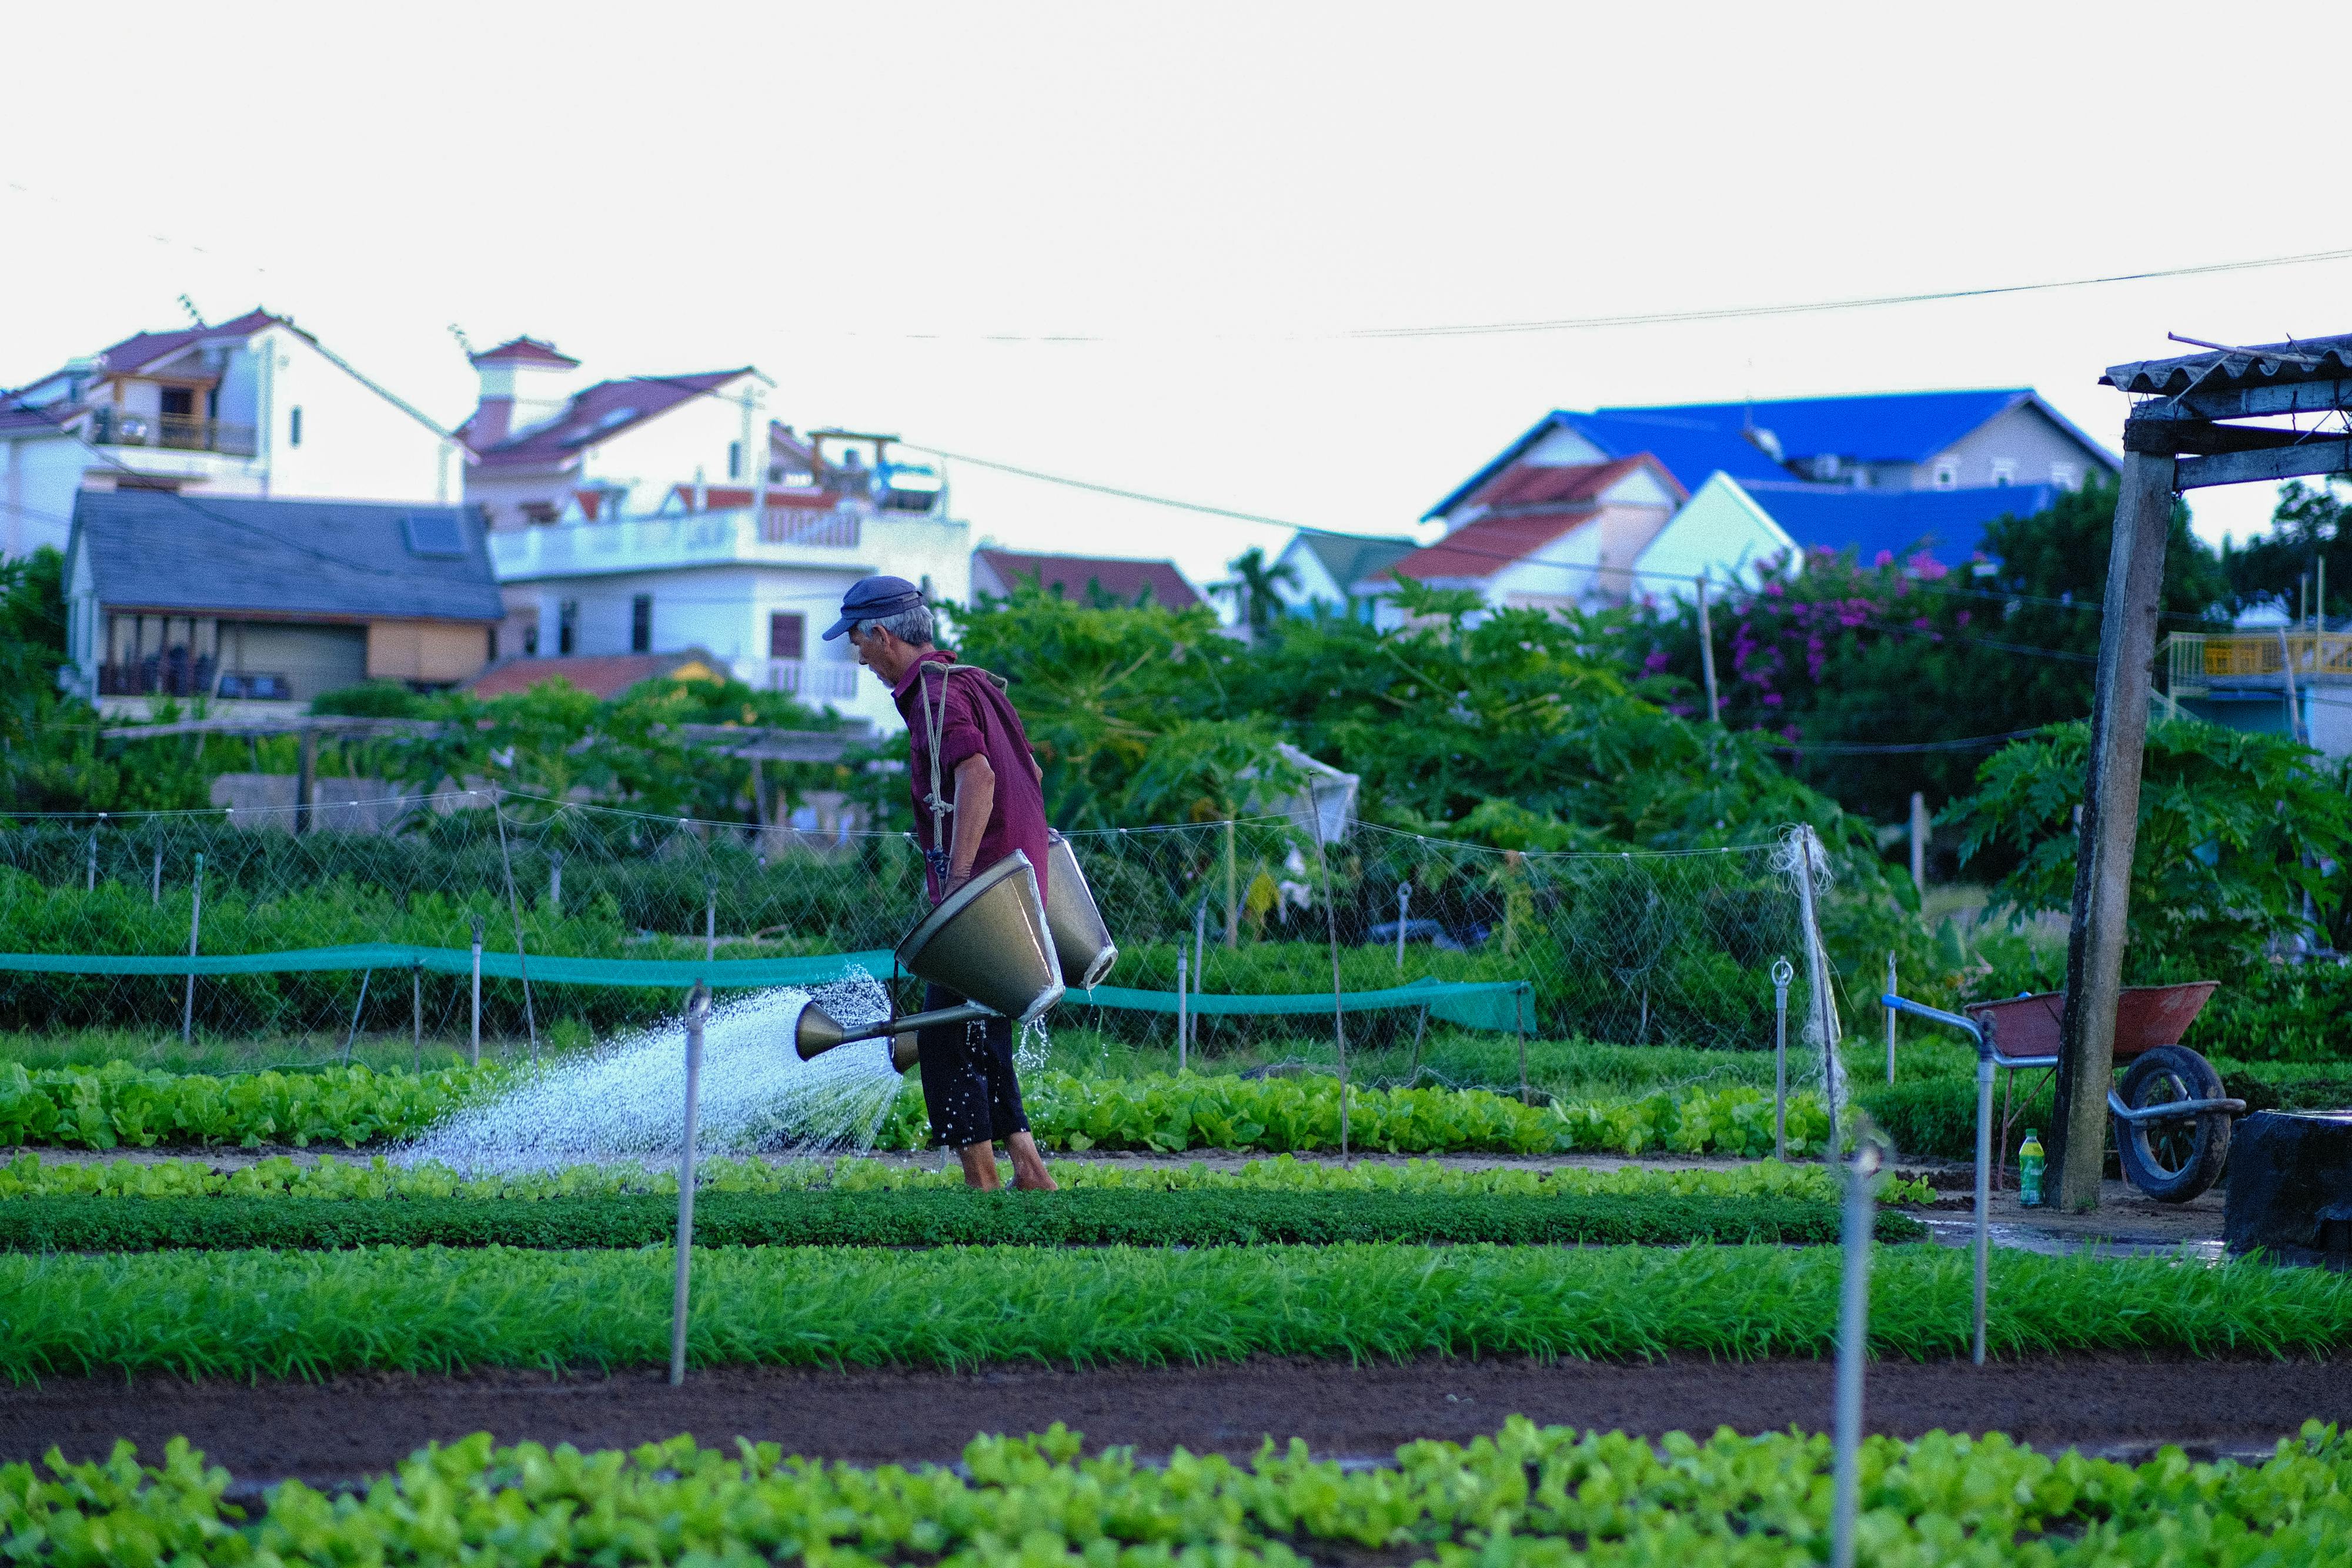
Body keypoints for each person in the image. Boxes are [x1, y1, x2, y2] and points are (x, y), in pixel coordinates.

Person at [823, 576, 1058, 1192]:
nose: (857, 655)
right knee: (982, 1029)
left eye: (856, 639)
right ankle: (1030, 1172)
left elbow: (977, 776)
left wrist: (957, 884)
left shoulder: (933, 695)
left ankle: (981, 1183)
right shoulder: (974, 681)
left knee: (945, 1041)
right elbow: (1028, 771)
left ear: (880, 634)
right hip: (1014, 892)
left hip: (979, 898)